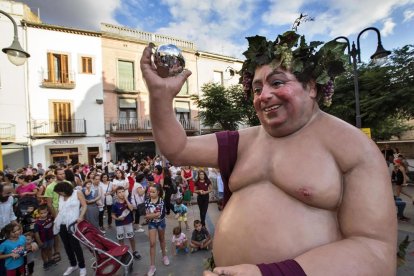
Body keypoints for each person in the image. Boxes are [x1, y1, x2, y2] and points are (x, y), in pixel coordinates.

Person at [140, 30, 396, 275]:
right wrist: (160, 97)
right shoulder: (243, 141)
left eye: (277, 82)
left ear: (311, 87)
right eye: (258, 88)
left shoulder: (352, 145)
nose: (264, 96)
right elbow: (178, 148)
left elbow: (375, 250)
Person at [53, 181, 87, 276]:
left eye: (60, 192)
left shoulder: (77, 193)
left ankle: (82, 267)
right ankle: (73, 264)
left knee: (75, 246)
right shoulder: (61, 196)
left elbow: (84, 205)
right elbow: (59, 210)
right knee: (67, 246)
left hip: (73, 224)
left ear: (65, 189)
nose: (59, 194)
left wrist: (81, 216)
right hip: (62, 224)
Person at [111, 186, 142, 260]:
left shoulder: (128, 200)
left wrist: (126, 200)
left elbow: (131, 208)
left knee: (131, 238)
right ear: (116, 194)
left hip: (128, 223)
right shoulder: (115, 204)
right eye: (119, 192)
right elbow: (112, 215)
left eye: (122, 192)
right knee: (121, 239)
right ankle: (123, 252)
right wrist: (118, 218)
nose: (121, 194)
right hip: (119, 224)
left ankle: (134, 251)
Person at [145, 184, 169, 276]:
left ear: (158, 192)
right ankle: (152, 266)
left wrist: (149, 215)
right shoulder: (147, 201)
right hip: (152, 224)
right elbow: (147, 215)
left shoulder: (161, 201)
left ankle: (164, 256)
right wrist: (150, 215)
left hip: (161, 223)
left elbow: (157, 215)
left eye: (153, 192)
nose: (151, 193)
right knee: (152, 243)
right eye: (150, 192)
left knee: (162, 239)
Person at [33, 205, 55, 270]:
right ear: (38, 213)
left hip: (50, 237)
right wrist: (39, 242)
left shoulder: (50, 218)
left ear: (47, 212)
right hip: (43, 240)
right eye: (41, 213)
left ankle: (50, 260)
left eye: (45, 212)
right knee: (44, 251)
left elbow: (53, 225)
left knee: (50, 249)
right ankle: (45, 263)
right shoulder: (37, 223)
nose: (43, 214)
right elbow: (36, 233)